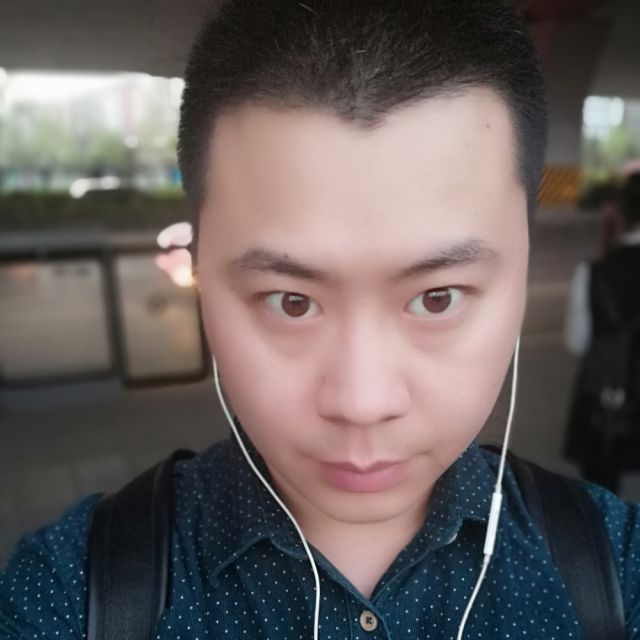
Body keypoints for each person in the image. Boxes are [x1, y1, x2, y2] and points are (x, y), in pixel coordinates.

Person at [1, 1, 639, 638]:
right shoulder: (75, 591)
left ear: (523, 269)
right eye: (291, 302)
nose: (362, 404)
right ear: (198, 275)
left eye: (438, 298)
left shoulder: (616, 569)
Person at [564, 171, 640, 493]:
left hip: (609, 400)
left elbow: (576, 341)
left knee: (601, 490)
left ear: (621, 213)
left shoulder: (593, 273)